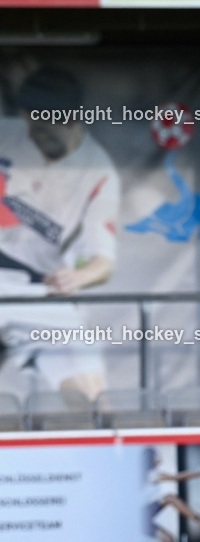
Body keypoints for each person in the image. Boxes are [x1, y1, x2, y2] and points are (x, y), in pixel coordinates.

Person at [0, 67, 120, 399]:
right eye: (29, 124)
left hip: (39, 290)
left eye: (44, 128)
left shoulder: (99, 173)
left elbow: (102, 263)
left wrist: (76, 278)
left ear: (72, 118)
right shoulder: (7, 134)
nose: (34, 136)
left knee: (91, 395)